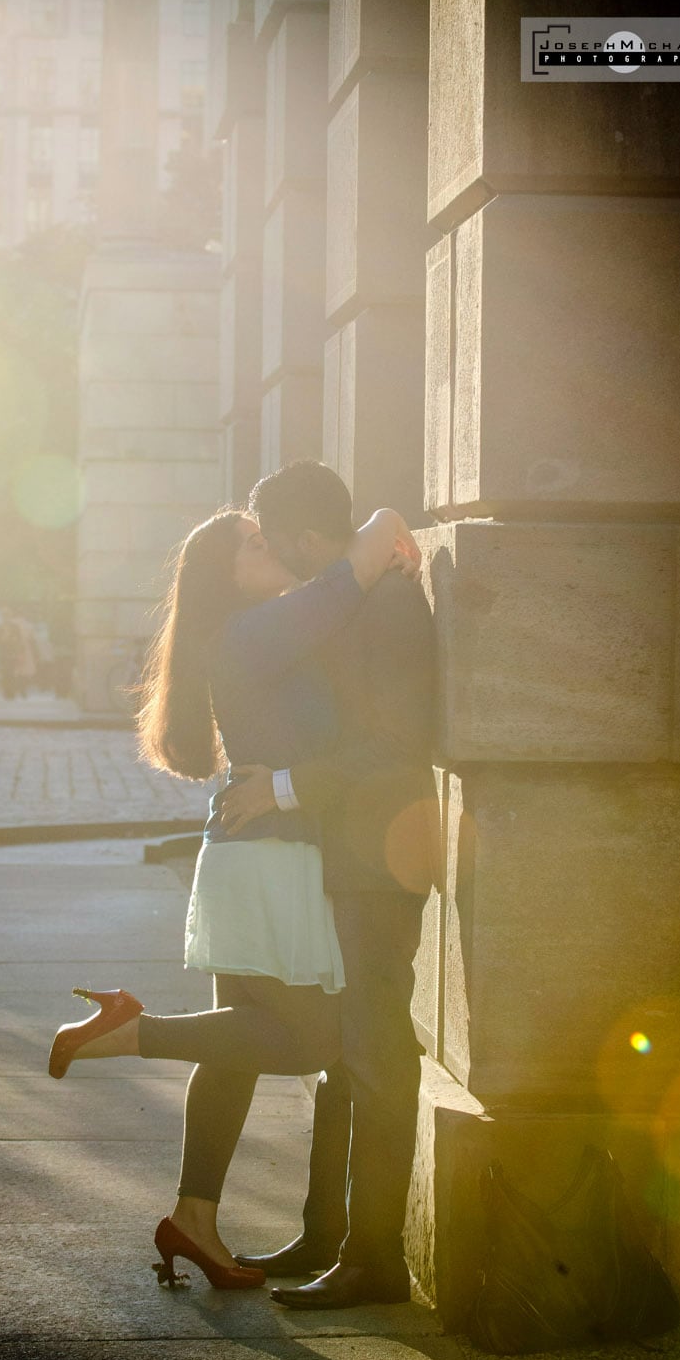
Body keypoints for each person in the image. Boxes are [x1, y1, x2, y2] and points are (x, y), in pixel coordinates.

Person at [47, 505, 420, 1292]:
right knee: (313, 1042)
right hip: (273, 865)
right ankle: (129, 1031)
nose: (273, 543)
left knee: (233, 1051)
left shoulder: (248, 632)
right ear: (229, 574)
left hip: (244, 859)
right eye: (256, 542)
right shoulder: (262, 628)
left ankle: (194, 1220)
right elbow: (372, 540)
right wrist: (388, 534)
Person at [221, 462, 440, 1310]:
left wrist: (280, 788)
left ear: (308, 539)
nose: (276, 559)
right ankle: (328, 1231)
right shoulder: (356, 589)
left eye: (277, 543)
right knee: (348, 1057)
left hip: (382, 861)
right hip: (348, 853)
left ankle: (373, 1258)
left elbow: (393, 746)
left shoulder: (386, 603)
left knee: (378, 1055)